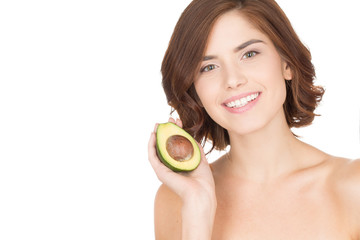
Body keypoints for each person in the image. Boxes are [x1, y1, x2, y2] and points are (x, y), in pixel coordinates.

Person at [148, 0, 360, 239]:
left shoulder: (354, 187)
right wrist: (198, 210)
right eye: (208, 67)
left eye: (249, 54)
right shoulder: (177, 199)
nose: (233, 79)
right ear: (195, 89)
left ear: (286, 64)